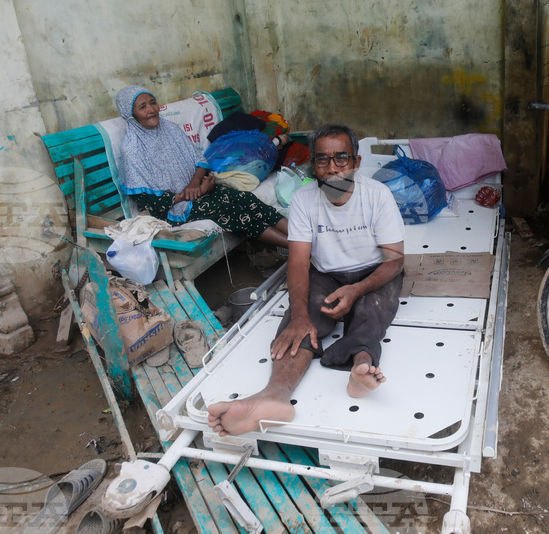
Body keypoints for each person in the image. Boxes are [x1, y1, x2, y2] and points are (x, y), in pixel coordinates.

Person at [207, 124, 405, 436]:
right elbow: (299, 262)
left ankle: (360, 369)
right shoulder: (303, 199)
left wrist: (356, 289)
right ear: (312, 166)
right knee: (301, 325)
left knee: (371, 312)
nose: (333, 168)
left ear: (356, 162)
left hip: (373, 271)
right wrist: (299, 315)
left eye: (342, 159)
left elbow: (394, 260)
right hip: (326, 272)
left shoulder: (378, 196)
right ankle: (273, 397)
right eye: (323, 160)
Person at [113, 85, 289, 247]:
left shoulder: (169, 129)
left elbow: (199, 160)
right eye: (142, 107)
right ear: (131, 114)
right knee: (231, 210)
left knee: (246, 199)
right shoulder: (132, 149)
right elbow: (148, 201)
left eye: (153, 103)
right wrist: (195, 192)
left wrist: (196, 183)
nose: (151, 109)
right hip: (172, 208)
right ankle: (298, 248)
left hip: (197, 190)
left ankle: (302, 237)